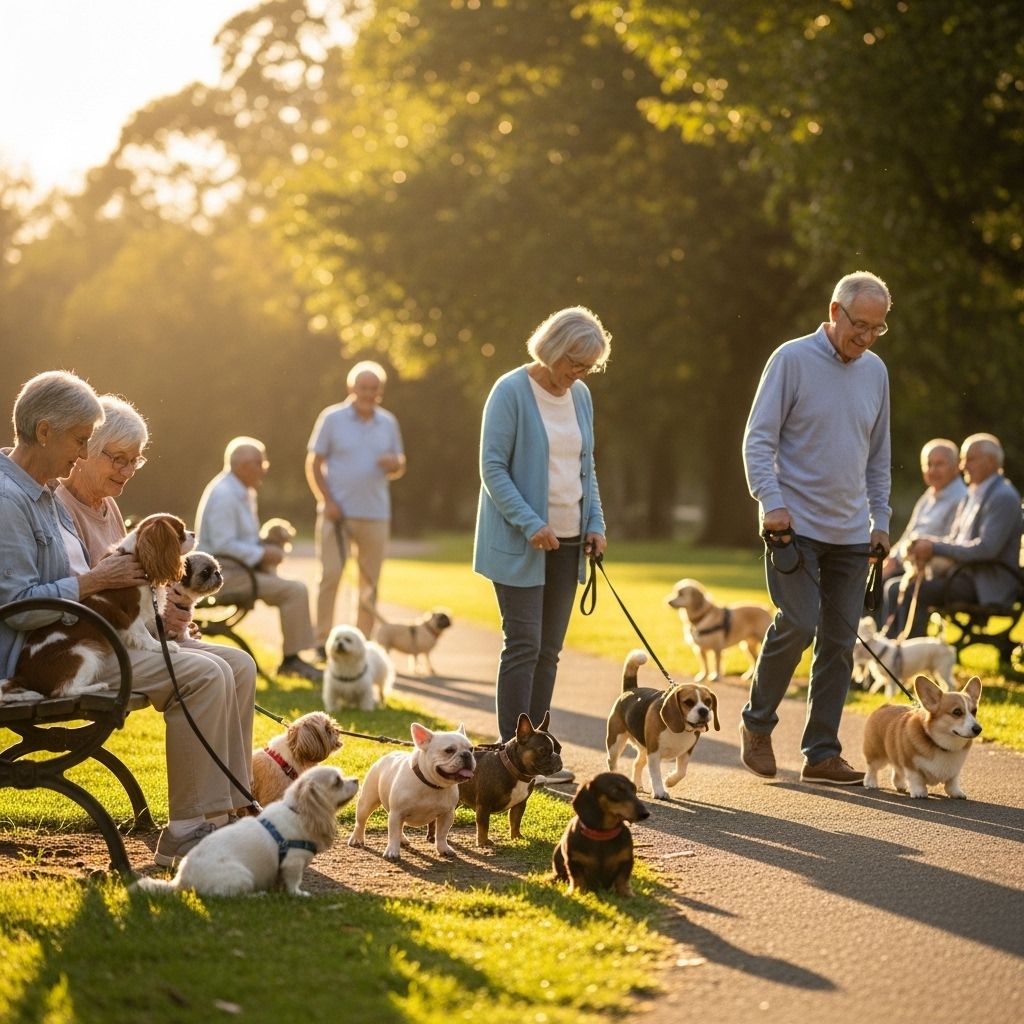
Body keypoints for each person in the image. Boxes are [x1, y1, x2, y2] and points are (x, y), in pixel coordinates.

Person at [0, 372, 255, 869]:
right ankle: (187, 830)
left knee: (228, 666)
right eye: (81, 441)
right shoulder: (10, 501)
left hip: (83, 636)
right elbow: (20, 605)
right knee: (203, 673)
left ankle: (224, 815)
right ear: (45, 431)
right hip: (51, 654)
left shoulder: (41, 492)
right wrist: (95, 583)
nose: (80, 453)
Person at [740, 271, 893, 786]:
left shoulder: (876, 372)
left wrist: (882, 519)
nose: (866, 337)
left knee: (839, 642)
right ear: (835, 312)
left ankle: (821, 753)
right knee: (800, 624)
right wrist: (772, 502)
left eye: (877, 328)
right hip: (794, 527)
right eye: (859, 325)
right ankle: (757, 725)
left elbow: (879, 456)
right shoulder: (791, 360)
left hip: (852, 533)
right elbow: (758, 440)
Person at [473, 306, 611, 780]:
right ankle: (514, 757)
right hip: (523, 542)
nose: (580, 373)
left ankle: (540, 756)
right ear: (554, 350)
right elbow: (493, 468)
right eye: (575, 362)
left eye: (588, 367)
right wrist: (531, 522)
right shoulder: (511, 391)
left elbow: (585, 466)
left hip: (570, 540)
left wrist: (595, 521)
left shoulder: (581, 396)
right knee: (524, 644)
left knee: (549, 649)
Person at [196, 437, 320, 681]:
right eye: (261, 463)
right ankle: (292, 661)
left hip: (237, 570)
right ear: (244, 466)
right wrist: (263, 553)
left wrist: (268, 543)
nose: (265, 467)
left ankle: (294, 658)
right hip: (225, 575)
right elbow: (223, 545)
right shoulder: (225, 495)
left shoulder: (239, 490)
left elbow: (239, 538)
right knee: (295, 590)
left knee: (293, 588)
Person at [306, 360, 406, 646]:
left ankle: (361, 643)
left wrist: (394, 464)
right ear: (352, 388)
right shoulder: (332, 418)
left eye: (373, 388)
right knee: (331, 576)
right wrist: (327, 500)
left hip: (375, 514)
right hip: (336, 513)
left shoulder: (388, 422)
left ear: (380, 391)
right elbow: (314, 462)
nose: (367, 393)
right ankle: (321, 641)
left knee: (369, 584)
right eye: (363, 387)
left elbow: (399, 464)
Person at [884, 433, 1022, 638]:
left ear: (991, 462)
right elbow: (955, 539)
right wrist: (927, 546)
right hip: (964, 576)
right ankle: (893, 656)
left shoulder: (1003, 496)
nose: (963, 465)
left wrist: (935, 547)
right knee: (896, 587)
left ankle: (908, 658)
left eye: (970, 459)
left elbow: (987, 549)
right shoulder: (974, 494)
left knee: (911, 589)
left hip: (985, 583)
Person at [871, 438, 966, 626]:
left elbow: (951, 541)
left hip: (932, 567)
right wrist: (891, 558)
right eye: (928, 464)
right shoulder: (929, 497)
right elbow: (909, 533)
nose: (932, 470)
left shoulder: (962, 498)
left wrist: (898, 562)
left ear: (956, 467)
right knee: (872, 578)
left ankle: (889, 647)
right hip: (907, 562)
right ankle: (875, 644)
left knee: (886, 585)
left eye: (939, 464)